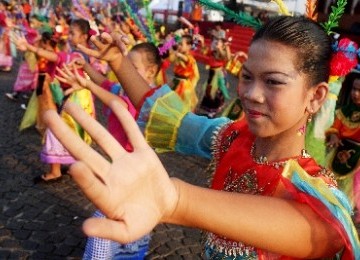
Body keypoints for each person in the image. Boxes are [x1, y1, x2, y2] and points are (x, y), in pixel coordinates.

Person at [43, 16, 360, 259]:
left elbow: (321, 233)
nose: (251, 94)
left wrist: (174, 200)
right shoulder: (229, 137)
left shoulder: (316, 191)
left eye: (273, 82)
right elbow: (168, 116)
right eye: (246, 77)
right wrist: (117, 62)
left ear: (316, 97)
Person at [56, 42, 163, 259]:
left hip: (135, 173)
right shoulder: (124, 87)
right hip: (120, 167)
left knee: (118, 218)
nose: (122, 71)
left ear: (151, 72)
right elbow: (105, 83)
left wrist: (86, 84)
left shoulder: (148, 99)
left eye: (130, 67)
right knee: (117, 217)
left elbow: (119, 105)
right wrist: (86, 67)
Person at [11, 18, 96, 183]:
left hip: (73, 98)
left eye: (73, 33)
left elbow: (56, 57)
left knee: (57, 131)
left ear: (84, 36)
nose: (69, 35)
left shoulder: (77, 55)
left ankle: (55, 171)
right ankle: (72, 164)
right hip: (79, 98)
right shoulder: (82, 52)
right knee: (75, 132)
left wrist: (29, 47)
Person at [326, 71, 360, 221]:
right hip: (340, 150)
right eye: (354, 89)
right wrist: (334, 135)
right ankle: (329, 208)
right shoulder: (344, 111)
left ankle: (346, 214)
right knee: (331, 182)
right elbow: (335, 127)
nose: (356, 94)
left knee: (353, 188)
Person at [198, 37, 232, 118]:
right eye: (217, 42)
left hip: (219, 74)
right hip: (212, 73)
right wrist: (202, 42)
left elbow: (227, 58)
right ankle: (208, 108)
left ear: (223, 45)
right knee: (209, 90)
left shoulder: (223, 53)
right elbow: (204, 52)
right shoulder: (213, 52)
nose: (216, 43)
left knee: (216, 92)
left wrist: (222, 48)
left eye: (219, 42)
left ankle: (214, 109)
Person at [170, 34, 200, 112]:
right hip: (175, 81)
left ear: (189, 46)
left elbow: (187, 60)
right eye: (178, 44)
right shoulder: (178, 56)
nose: (179, 46)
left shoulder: (189, 58)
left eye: (181, 44)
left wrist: (178, 54)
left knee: (180, 106)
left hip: (183, 85)